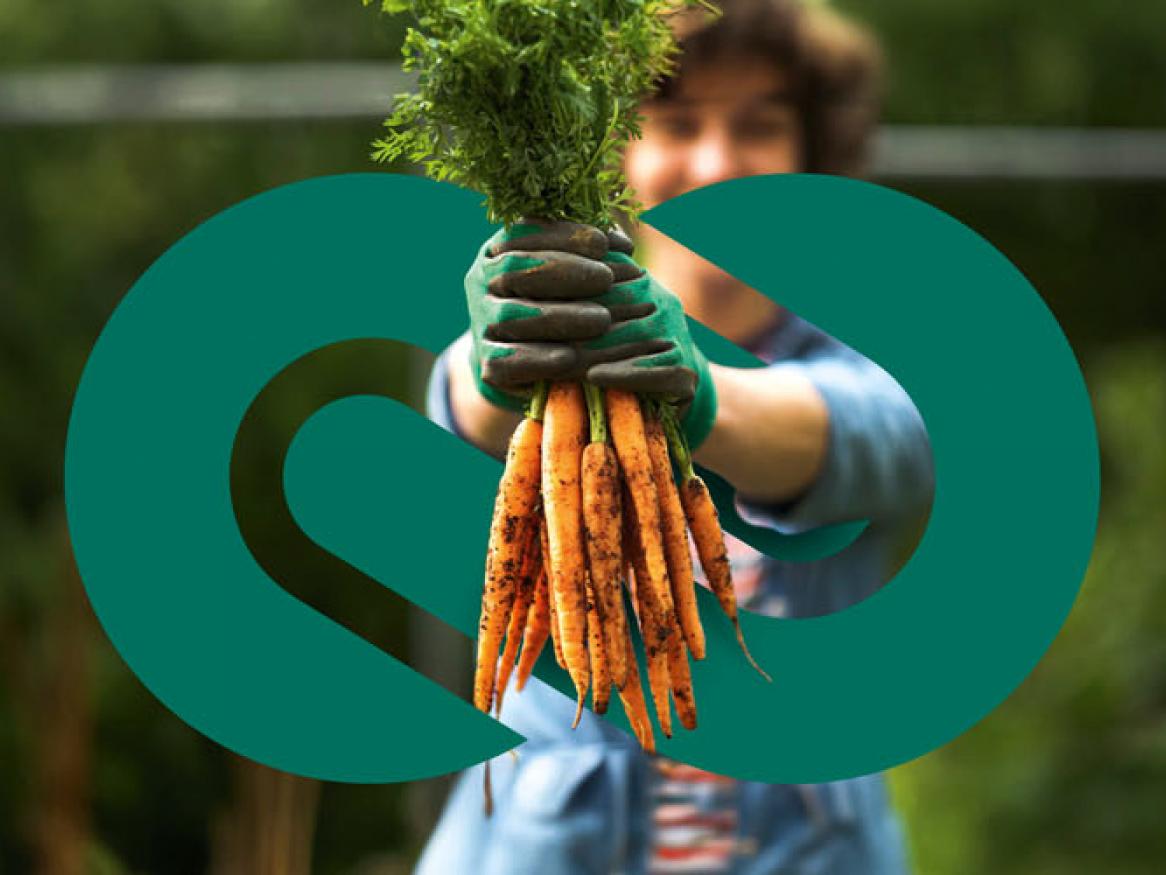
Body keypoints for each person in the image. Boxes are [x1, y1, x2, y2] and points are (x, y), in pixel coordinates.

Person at [418, 1, 933, 872]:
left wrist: (693, 393)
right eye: (679, 124)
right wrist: (498, 360)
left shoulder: (874, 355)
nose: (718, 162)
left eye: (759, 128)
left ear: (810, 155)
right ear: (621, 151)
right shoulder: (555, 334)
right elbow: (461, 417)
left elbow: (879, 436)